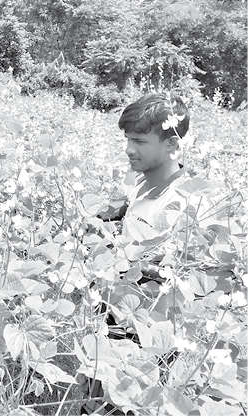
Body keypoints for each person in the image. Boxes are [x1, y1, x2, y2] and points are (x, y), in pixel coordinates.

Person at [80, 92, 191, 415]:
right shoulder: (141, 184)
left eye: (140, 141)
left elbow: (167, 276)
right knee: (93, 400)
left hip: (146, 333)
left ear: (172, 145)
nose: (129, 149)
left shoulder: (183, 204)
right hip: (116, 314)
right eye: (128, 139)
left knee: (126, 406)